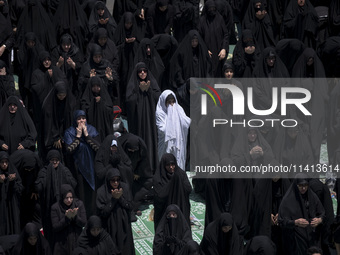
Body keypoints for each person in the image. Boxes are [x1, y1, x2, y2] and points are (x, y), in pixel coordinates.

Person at [35, 149, 77, 247]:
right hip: (48, 208)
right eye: (52, 160)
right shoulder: (44, 171)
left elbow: (73, 183)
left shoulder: (64, 170)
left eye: (57, 160)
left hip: (64, 207)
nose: (54, 162)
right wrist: (49, 175)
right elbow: (38, 186)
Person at [126, 62, 161, 173]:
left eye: (144, 71)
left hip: (150, 120)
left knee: (151, 141)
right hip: (138, 121)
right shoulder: (133, 84)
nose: (142, 73)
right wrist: (139, 91)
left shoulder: (152, 82)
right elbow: (129, 100)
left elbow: (158, 96)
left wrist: (148, 90)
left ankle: (152, 167)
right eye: (140, 71)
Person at [64, 110, 100, 216]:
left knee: (92, 192)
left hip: (91, 166)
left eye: (83, 118)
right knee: (81, 191)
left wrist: (87, 136)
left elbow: (98, 148)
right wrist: (78, 136)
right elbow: (69, 150)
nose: (81, 121)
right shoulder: (69, 132)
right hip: (77, 167)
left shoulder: (92, 129)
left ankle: (93, 214)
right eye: (79, 119)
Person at [278, 173, 325, 255]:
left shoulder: (312, 196)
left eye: (305, 185)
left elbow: (322, 213)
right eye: (300, 185)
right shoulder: (288, 200)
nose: (303, 188)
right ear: (296, 185)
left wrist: (319, 220)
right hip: (295, 241)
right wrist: (295, 222)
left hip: (312, 238)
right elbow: (281, 221)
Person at [96, 167, 135, 254]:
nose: (116, 182)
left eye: (118, 180)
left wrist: (120, 198)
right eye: (113, 180)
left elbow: (130, 205)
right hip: (110, 226)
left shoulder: (124, 187)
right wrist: (113, 200)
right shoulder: (102, 191)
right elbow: (102, 213)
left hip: (124, 224)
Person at [153, 153, 192, 231]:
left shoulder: (181, 174)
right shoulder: (158, 178)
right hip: (164, 211)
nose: (171, 167)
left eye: (173, 164)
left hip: (181, 207)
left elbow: (188, 189)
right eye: (168, 165)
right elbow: (160, 196)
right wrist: (172, 182)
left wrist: (177, 181)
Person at [156, 90, 191, 170]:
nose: (172, 105)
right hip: (165, 143)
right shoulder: (160, 112)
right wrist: (171, 122)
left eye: (173, 102)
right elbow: (163, 130)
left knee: (178, 162)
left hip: (179, 142)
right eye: (169, 102)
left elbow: (185, 124)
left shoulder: (179, 109)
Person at [41, 81, 76, 160]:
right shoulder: (48, 105)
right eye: (59, 95)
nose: (62, 97)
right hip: (53, 137)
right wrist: (56, 137)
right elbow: (48, 124)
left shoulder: (70, 102)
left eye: (64, 95)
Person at [51, 184, 87, 255]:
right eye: (66, 198)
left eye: (71, 197)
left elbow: (83, 222)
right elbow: (55, 227)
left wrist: (75, 217)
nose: (69, 200)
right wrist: (66, 219)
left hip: (76, 240)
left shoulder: (79, 204)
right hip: (62, 243)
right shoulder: (55, 207)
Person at [10, 149, 42, 228]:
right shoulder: (14, 162)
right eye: (27, 169)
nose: (29, 171)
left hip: (30, 189)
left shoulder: (36, 164)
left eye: (30, 169)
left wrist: (35, 189)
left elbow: (39, 175)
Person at [198, 0, 229, 77]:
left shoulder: (220, 19)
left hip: (219, 53)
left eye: (213, 9)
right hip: (208, 54)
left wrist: (224, 49)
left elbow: (225, 35)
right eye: (210, 9)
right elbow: (199, 37)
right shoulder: (202, 21)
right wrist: (205, 50)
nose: (212, 11)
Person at [51, 34, 84, 99]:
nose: (66, 47)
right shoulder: (56, 51)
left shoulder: (76, 51)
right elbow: (52, 67)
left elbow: (81, 67)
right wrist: (59, 64)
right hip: (59, 81)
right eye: (64, 45)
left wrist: (73, 64)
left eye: (68, 45)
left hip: (73, 82)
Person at [81, 76, 114, 142]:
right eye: (93, 86)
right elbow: (85, 111)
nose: (96, 88)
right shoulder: (86, 99)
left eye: (98, 86)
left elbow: (110, 111)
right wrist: (94, 102)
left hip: (104, 128)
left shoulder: (105, 97)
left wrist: (101, 103)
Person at [0, 151, 23, 236]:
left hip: (12, 205)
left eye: (6, 162)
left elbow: (20, 190)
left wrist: (12, 182)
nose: (4, 164)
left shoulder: (13, 172)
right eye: (2, 162)